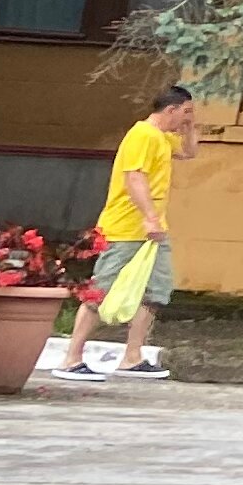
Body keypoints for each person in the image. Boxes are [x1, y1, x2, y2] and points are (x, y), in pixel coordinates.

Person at [53, 86, 197, 381]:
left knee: (155, 292)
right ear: (170, 110)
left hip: (154, 232)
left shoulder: (162, 137)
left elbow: (188, 152)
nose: (187, 117)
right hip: (126, 229)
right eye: (185, 112)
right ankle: (71, 358)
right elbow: (134, 177)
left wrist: (190, 127)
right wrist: (149, 217)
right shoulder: (142, 135)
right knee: (101, 291)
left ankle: (132, 357)